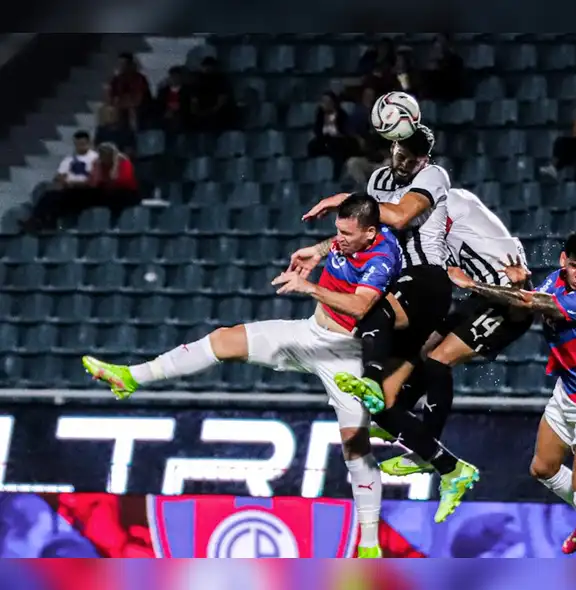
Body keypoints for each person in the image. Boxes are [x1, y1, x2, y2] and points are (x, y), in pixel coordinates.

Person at [81, 193, 403, 558]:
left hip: (347, 355)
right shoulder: (354, 236)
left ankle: (370, 545)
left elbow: (361, 305)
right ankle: (131, 377)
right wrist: (319, 249)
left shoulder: (382, 256)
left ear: (371, 232)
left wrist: (310, 286)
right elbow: (340, 241)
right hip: (309, 333)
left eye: (347, 233)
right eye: (337, 231)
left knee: (355, 447)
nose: (339, 238)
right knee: (223, 339)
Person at [303, 125, 481, 524]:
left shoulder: (433, 177)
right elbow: (366, 231)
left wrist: (344, 199)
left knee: (370, 308)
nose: (401, 163)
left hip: (426, 279)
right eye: (398, 153)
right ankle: (452, 468)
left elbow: (398, 217)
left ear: (424, 160)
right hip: (396, 278)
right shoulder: (379, 178)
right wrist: (319, 250)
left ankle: (370, 374)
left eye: (411, 158)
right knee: (380, 405)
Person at [447, 230, 576, 558]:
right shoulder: (555, 281)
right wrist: (517, 286)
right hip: (565, 394)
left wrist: (472, 285)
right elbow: (523, 308)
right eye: (575, 266)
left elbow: (531, 302)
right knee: (542, 469)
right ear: (563, 261)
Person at [368, 187, 535, 477]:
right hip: (481, 298)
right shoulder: (450, 209)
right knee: (422, 346)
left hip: (506, 306)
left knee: (438, 359)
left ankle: (426, 451)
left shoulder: (481, 240)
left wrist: (472, 285)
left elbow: (521, 304)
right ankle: (398, 417)